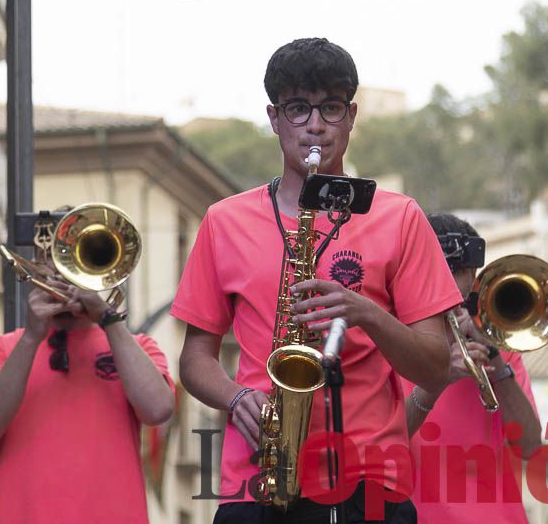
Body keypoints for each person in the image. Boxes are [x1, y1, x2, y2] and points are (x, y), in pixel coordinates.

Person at [172, 37, 462, 523]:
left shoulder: (402, 217)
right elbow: (195, 359)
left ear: (350, 117)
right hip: (257, 484)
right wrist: (237, 396)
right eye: (298, 108)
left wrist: (365, 312)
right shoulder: (224, 221)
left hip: (371, 485)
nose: (314, 125)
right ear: (274, 118)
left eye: (330, 108)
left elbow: (435, 366)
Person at [0, 272, 175, 523]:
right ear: (39, 268)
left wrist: (108, 319)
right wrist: (31, 338)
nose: (64, 277)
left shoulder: (138, 347)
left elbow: (158, 409)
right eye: (54, 264)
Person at [402, 212, 541, 523]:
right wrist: (439, 377)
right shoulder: (398, 345)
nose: (461, 304)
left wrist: (494, 357)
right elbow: (388, 443)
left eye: (467, 295)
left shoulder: (499, 353)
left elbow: (530, 446)